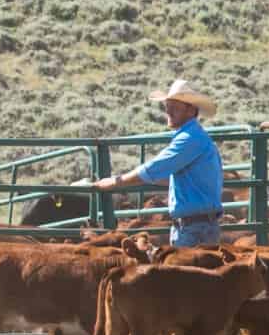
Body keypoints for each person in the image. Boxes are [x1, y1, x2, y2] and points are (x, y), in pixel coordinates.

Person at [82, 79, 226, 248]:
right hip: (198, 225)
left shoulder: (189, 139)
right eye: (167, 106)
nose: (168, 111)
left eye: (174, 107)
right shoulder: (196, 137)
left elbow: (155, 168)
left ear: (190, 110)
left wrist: (115, 182)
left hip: (194, 228)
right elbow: (180, 177)